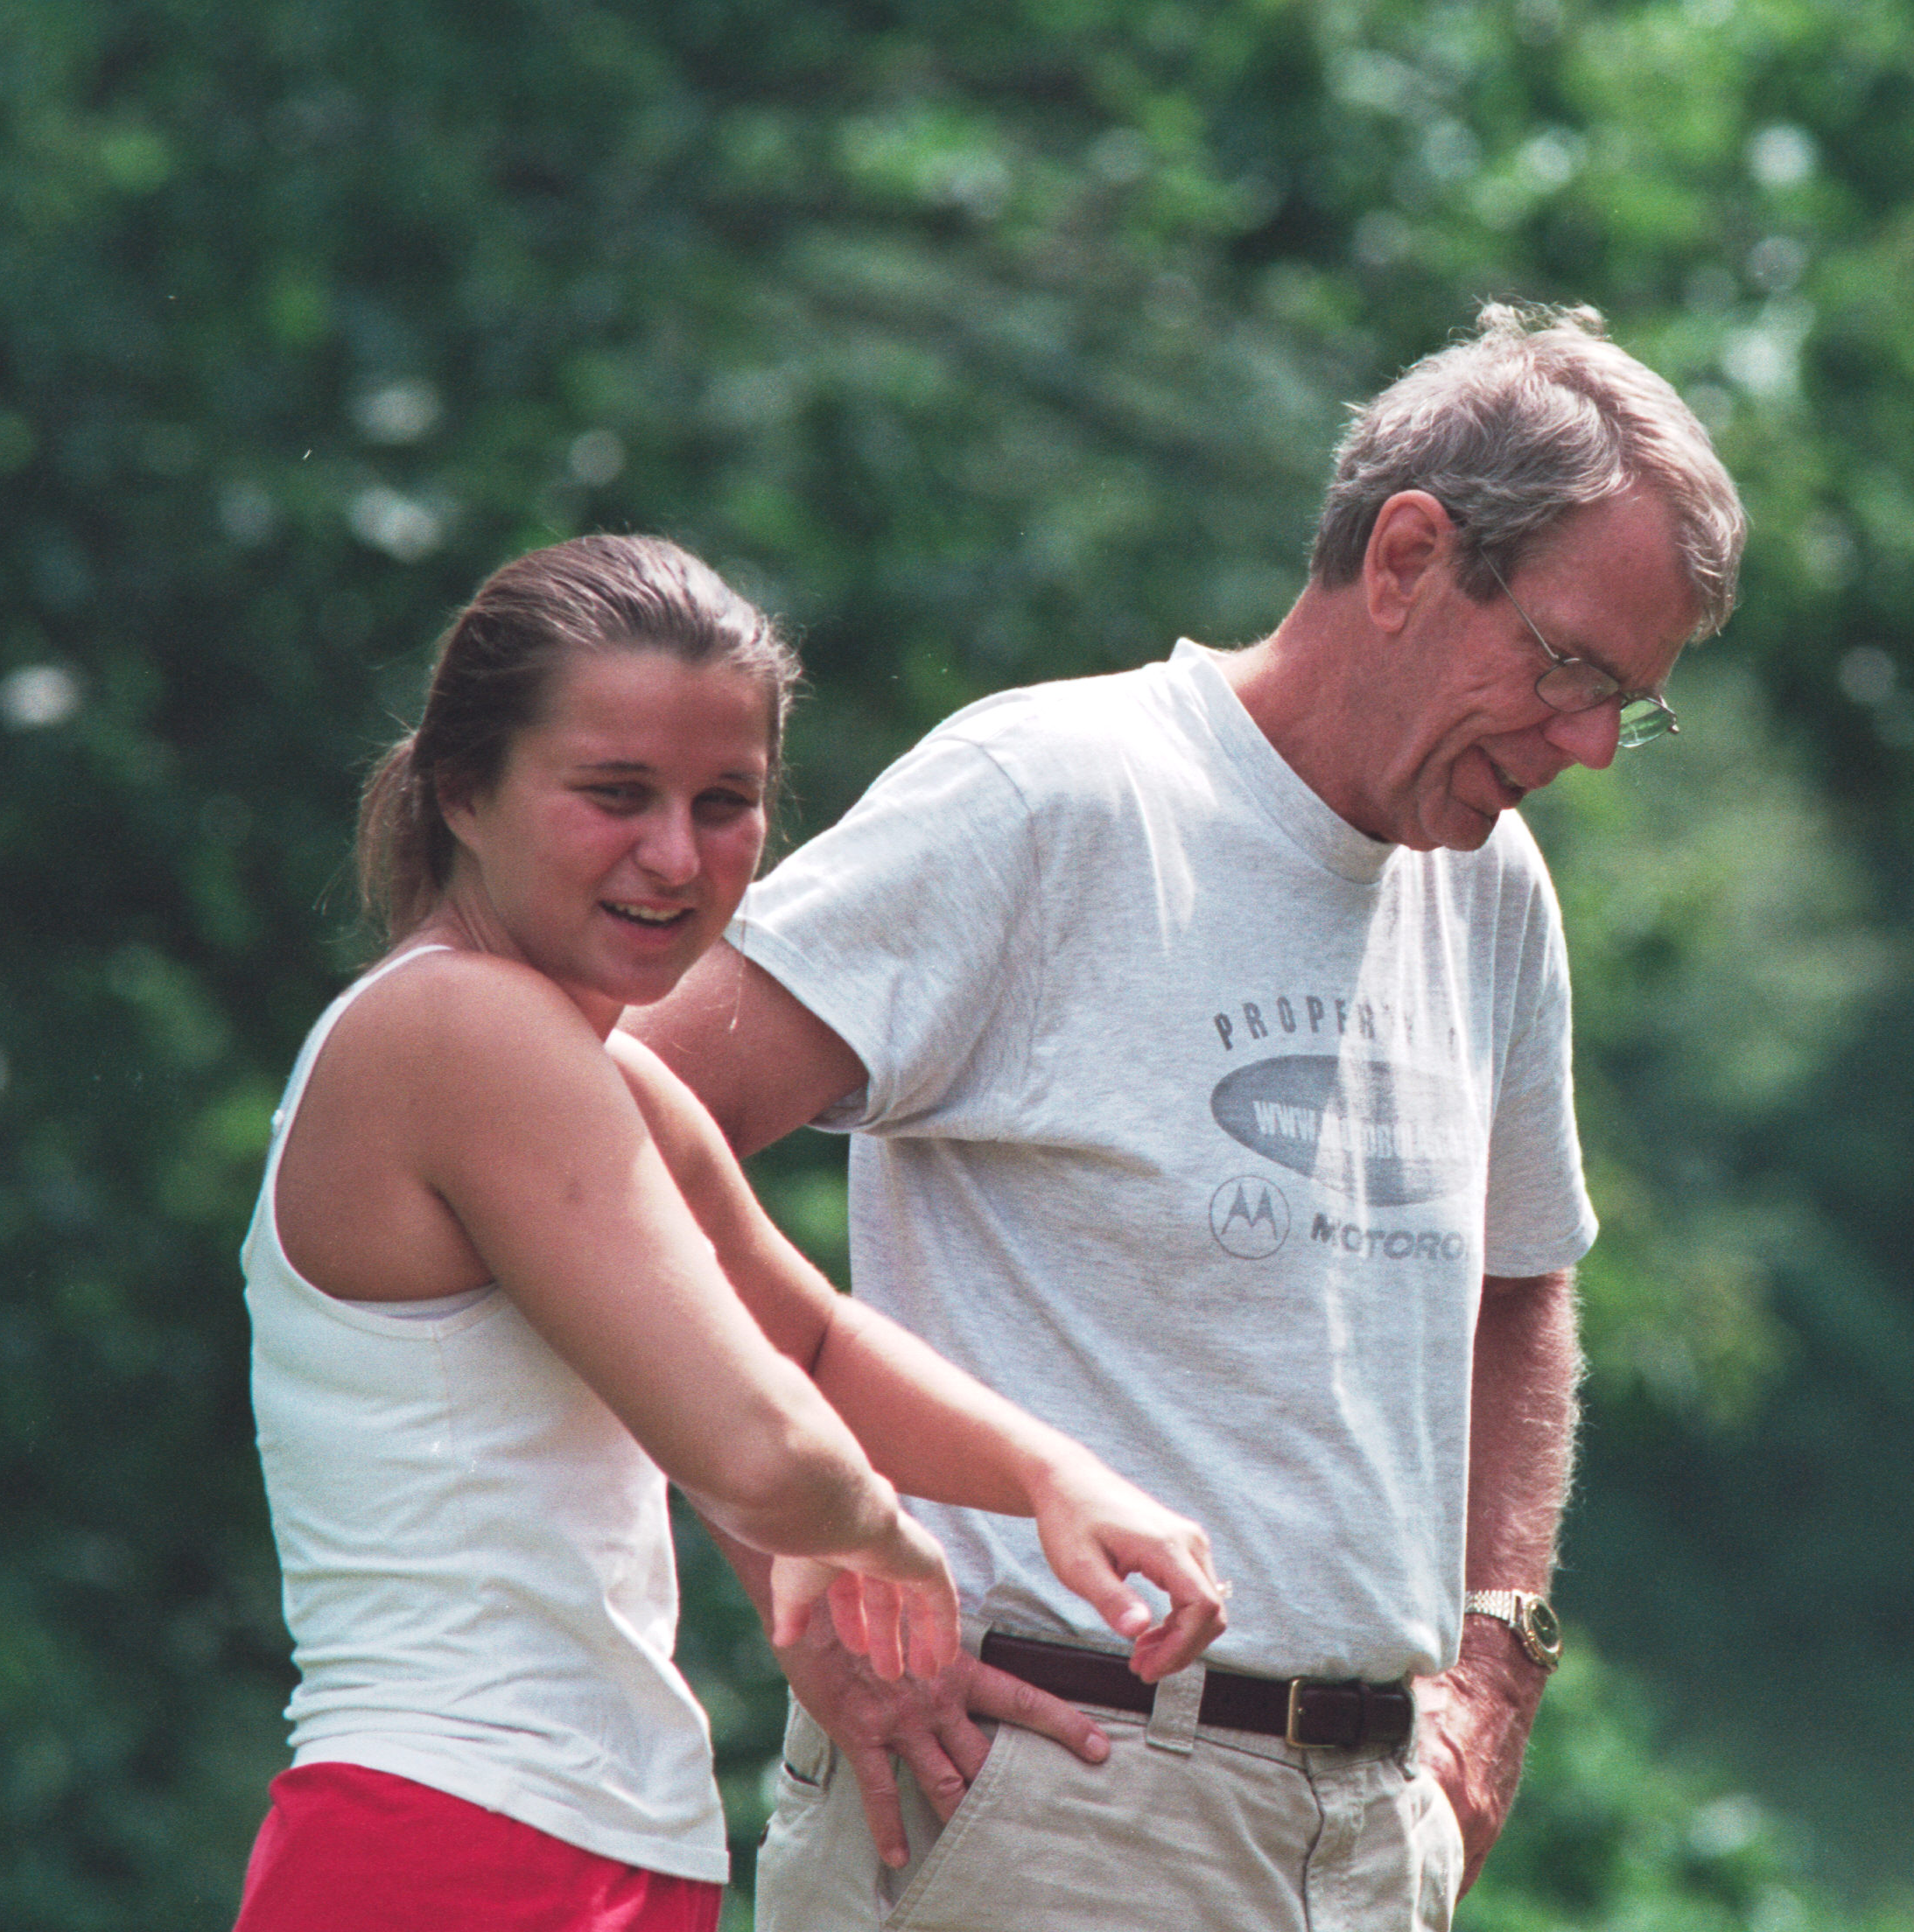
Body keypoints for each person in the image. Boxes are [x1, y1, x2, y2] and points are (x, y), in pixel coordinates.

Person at [633, 302, 1745, 1930]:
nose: (1587, 747)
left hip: (1369, 1831)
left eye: (1625, 704)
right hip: (1040, 1780)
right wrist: (798, 1552)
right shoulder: (1052, 793)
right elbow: (620, 1138)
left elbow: (1521, 1290)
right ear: (1408, 557)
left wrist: (1494, 1672)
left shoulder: (1492, 889)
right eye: (1571, 670)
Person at [234, 534, 1226, 1932]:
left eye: (727, 803)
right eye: (615, 796)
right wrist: (886, 1542)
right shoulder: (460, 1025)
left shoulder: (605, 1066)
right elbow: (758, 1444)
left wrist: (1055, 1477)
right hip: (446, 1841)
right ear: (464, 789)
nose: (675, 855)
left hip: (603, 1844)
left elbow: (804, 1341)